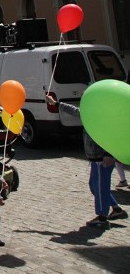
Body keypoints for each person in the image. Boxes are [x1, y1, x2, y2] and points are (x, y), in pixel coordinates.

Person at [46, 94, 126, 229]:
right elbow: (75, 111)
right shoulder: (90, 114)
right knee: (95, 186)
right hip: (94, 158)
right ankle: (116, 209)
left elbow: (112, 136)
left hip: (103, 159)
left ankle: (102, 217)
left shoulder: (104, 117)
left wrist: (108, 154)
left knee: (101, 187)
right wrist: (56, 104)